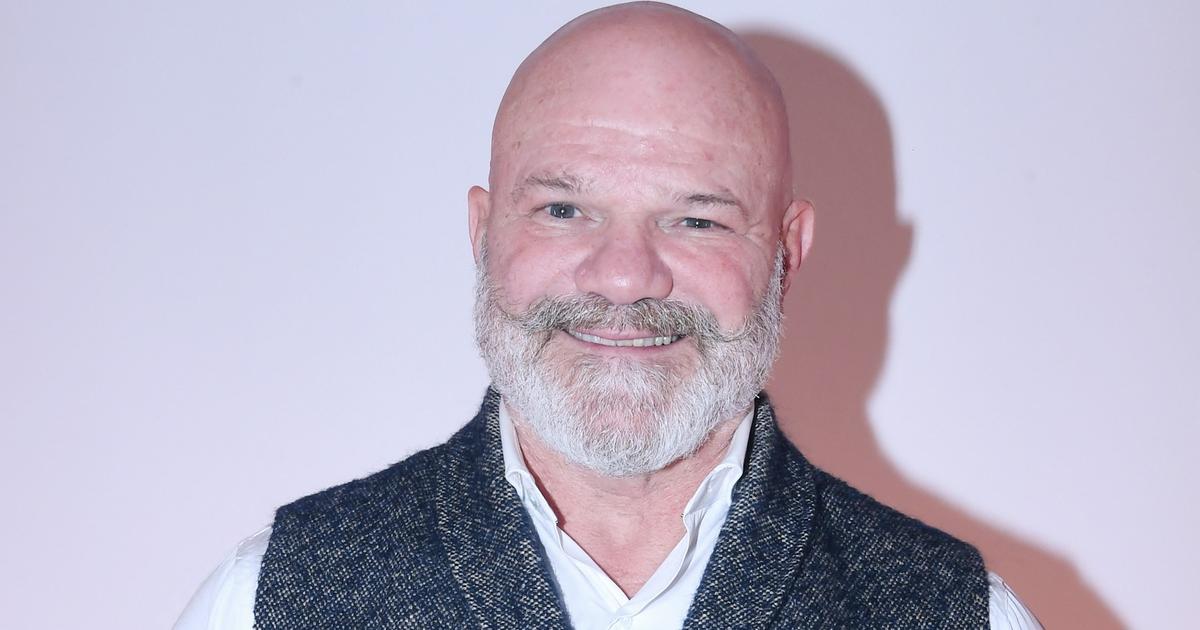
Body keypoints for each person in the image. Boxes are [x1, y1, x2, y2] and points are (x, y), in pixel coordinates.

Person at [176, 3, 1041, 628]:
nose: (625, 277)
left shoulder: (958, 615)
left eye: (695, 219)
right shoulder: (268, 602)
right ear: (483, 235)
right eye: (564, 210)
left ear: (786, 252)